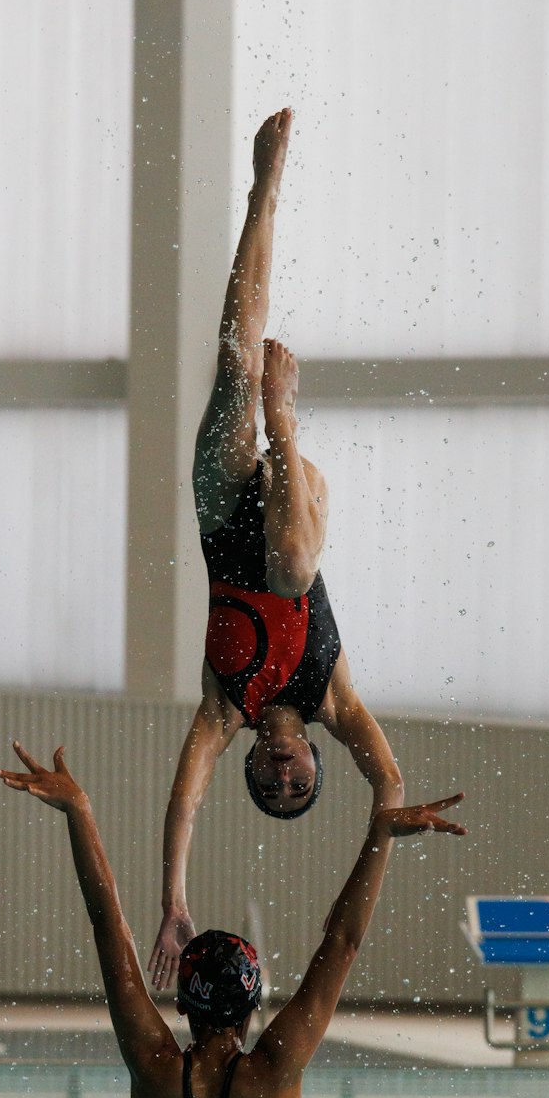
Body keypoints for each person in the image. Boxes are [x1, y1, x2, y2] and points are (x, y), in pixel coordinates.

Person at [0, 741, 465, 1098]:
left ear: (185, 1005)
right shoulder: (274, 1072)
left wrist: (80, 811)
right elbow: (342, 943)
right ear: (251, 1006)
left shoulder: (155, 1067)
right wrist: (381, 836)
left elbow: (107, 925)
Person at [150, 107, 415, 990]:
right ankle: (285, 411)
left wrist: (174, 902)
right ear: (313, 764)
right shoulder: (337, 704)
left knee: (233, 366)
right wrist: (390, 830)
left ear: (257, 769)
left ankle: (264, 194)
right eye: (299, 781)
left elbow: (185, 800)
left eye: (270, 784)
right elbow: (389, 782)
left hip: (228, 513)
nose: (282, 771)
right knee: (297, 568)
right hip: (295, 502)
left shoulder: (222, 713)